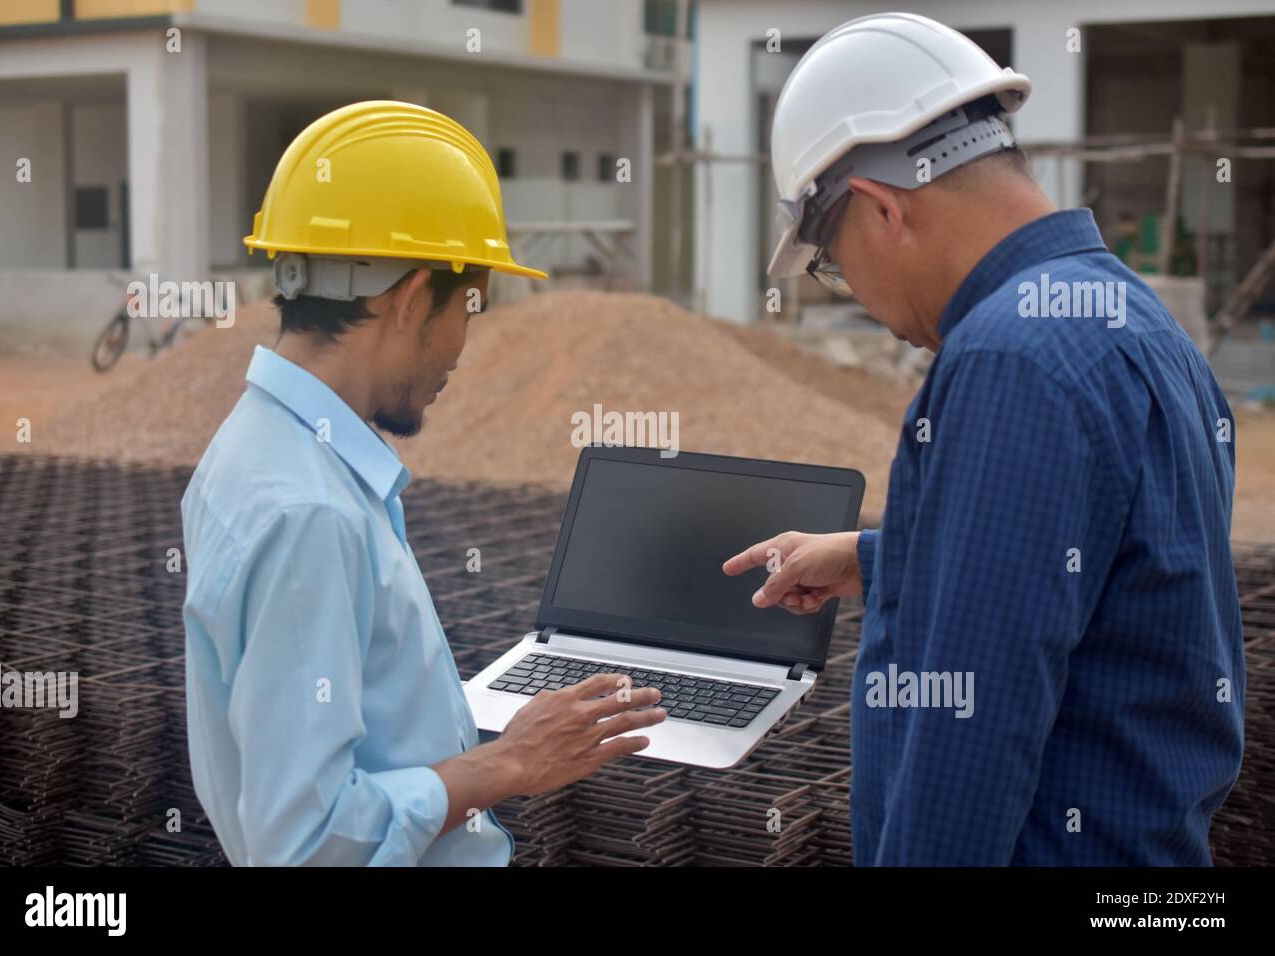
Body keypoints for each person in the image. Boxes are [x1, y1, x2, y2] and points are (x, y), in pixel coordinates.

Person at [724, 13, 1244, 865]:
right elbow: (1104, 570)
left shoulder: (1011, 357)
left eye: (833, 264)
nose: (857, 297)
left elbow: (970, 737)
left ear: (881, 209)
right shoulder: (1134, 321)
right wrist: (877, 557)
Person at [181, 101, 664, 866]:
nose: (461, 350)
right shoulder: (308, 513)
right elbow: (302, 846)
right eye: (468, 312)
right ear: (409, 298)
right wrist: (508, 763)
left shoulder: (257, 450)